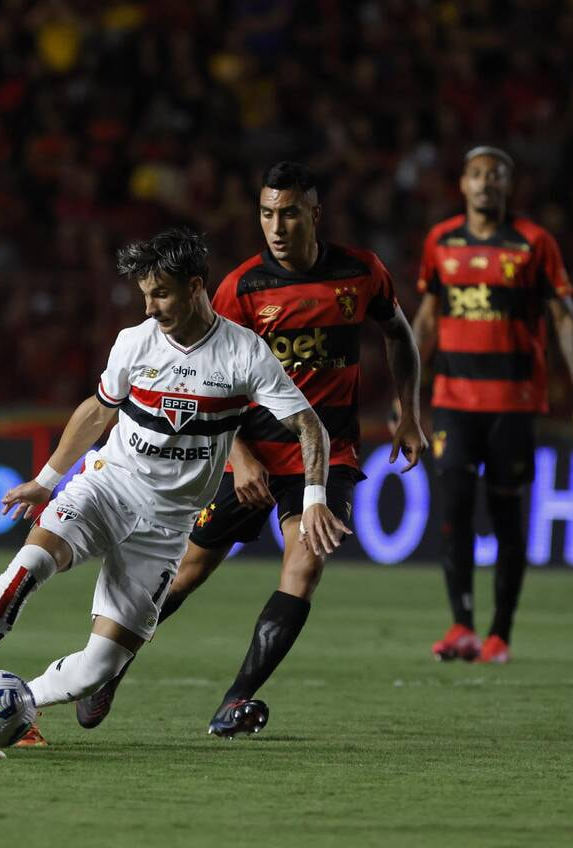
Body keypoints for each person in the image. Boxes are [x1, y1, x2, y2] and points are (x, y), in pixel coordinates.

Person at [0, 227, 349, 745]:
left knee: (98, 669)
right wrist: (46, 480)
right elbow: (98, 410)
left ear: (196, 287)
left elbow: (309, 425)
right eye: (145, 294)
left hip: (167, 526)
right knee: (30, 565)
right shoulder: (135, 342)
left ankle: (22, 706)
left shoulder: (244, 354)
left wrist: (313, 499)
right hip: (108, 489)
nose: (150, 306)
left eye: (162, 293)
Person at [75, 161, 428, 737]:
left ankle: (234, 701)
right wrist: (240, 456)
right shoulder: (240, 288)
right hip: (250, 451)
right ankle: (107, 668)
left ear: (315, 213)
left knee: (305, 563)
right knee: (186, 573)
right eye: (267, 213)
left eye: (289, 212)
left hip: (324, 453)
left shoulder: (362, 273)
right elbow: (205, 375)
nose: (277, 225)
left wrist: (408, 413)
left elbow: (399, 334)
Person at [411, 146, 573, 664]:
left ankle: (499, 634)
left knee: (507, 516)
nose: (486, 183)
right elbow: (427, 318)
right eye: (476, 174)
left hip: (513, 404)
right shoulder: (441, 241)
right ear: (463, 184)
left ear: (508, 186)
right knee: (452, 508)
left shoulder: (535, 242)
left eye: (496, 176)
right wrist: (408, 396)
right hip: (452, 399)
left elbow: (564, 319)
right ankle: (462, 625)